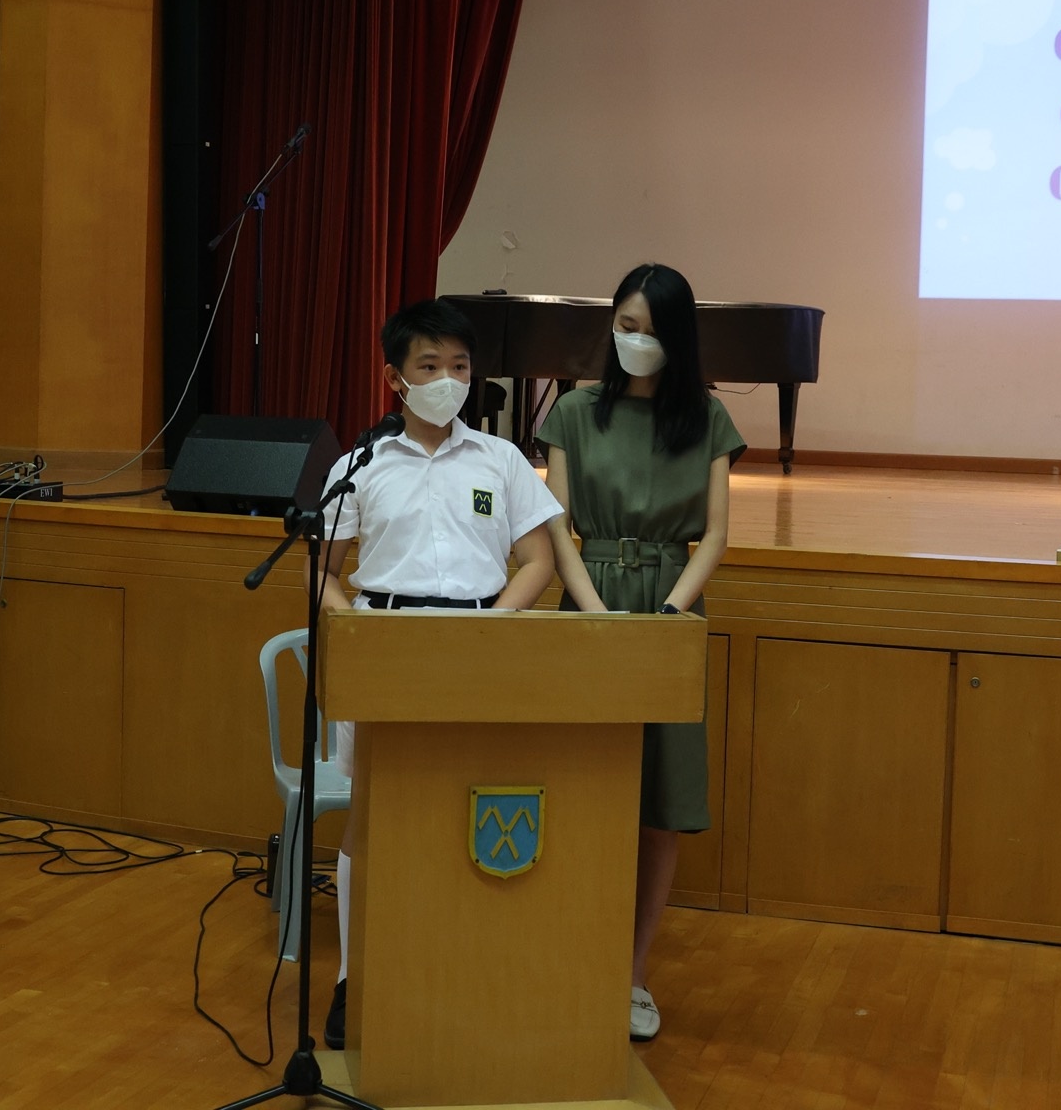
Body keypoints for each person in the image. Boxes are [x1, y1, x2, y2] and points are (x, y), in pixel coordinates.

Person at [311, 297, 561, 1049]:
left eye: (459, 365)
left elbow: (539, 560)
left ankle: (457, 966)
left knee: (466, 807)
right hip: (385, 647)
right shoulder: (360, 465)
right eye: (429, 366)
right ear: (396, 378)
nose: (448, 379)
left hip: (479, 647)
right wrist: (352, 627)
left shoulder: (501, 459)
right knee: (373, 815)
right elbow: (323, 570)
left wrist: (491, 628)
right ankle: (355, 977)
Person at [536, 263, 744, 1042]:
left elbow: (714, 536)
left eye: (652, 330)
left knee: (659, 804)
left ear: (677, 338)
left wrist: (665, 615)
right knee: (582, 784)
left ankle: (630, 975)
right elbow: (558, 529)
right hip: (589, 602)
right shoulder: (573, 412)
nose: (636, 340)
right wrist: (595, 615)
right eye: (626, 325)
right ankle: (570, 957)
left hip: (668, 607)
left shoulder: (708, 418)